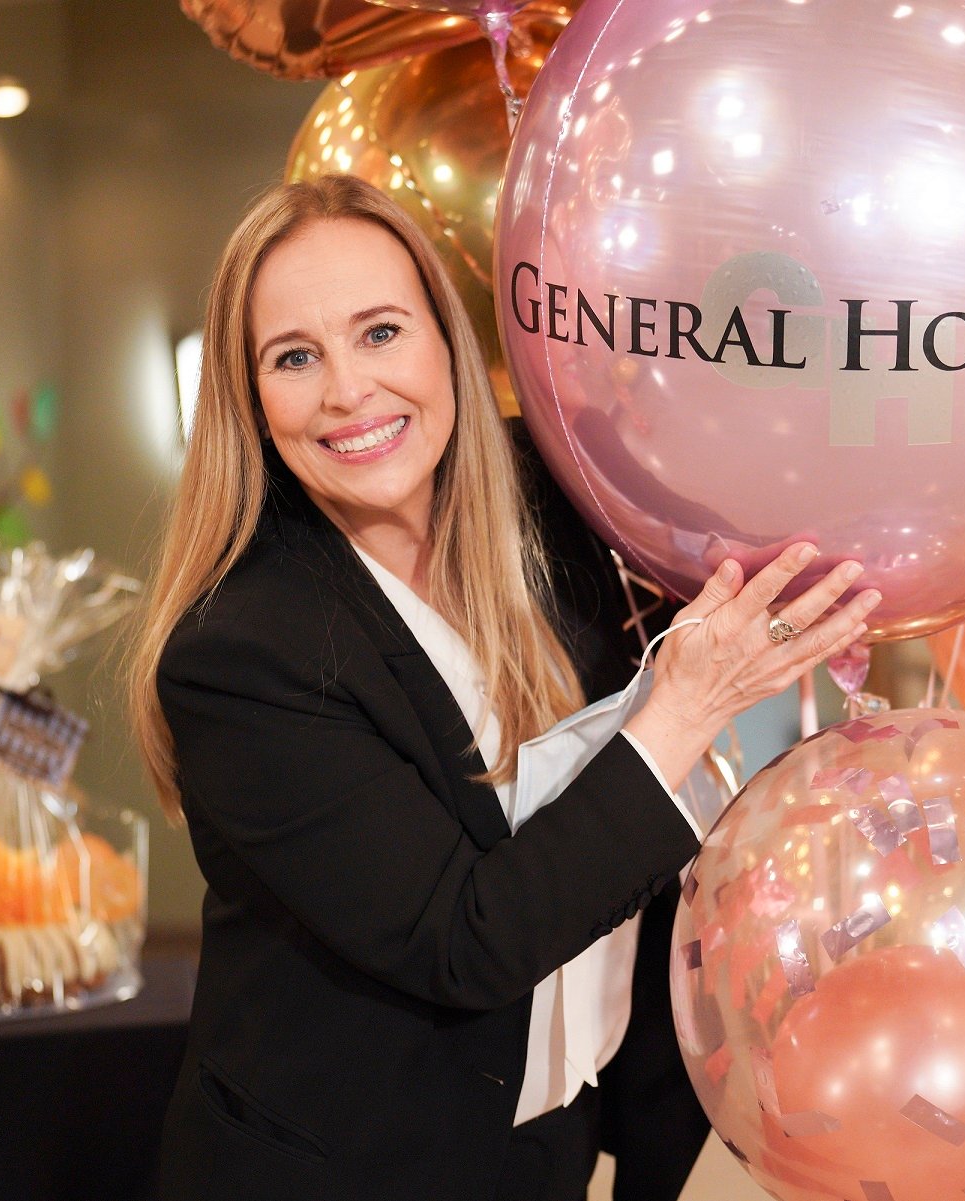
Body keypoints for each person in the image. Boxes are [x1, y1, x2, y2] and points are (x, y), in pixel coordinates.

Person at [125, 174, 880, 1201]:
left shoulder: (562, 500)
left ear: (446, 340)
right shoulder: (241, 653)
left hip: (553, 1150)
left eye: (381, 332)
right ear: (253, 400)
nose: (349, 390)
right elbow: (466, 940)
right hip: (351, 1170)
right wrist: (688, 707)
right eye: (295, 357)